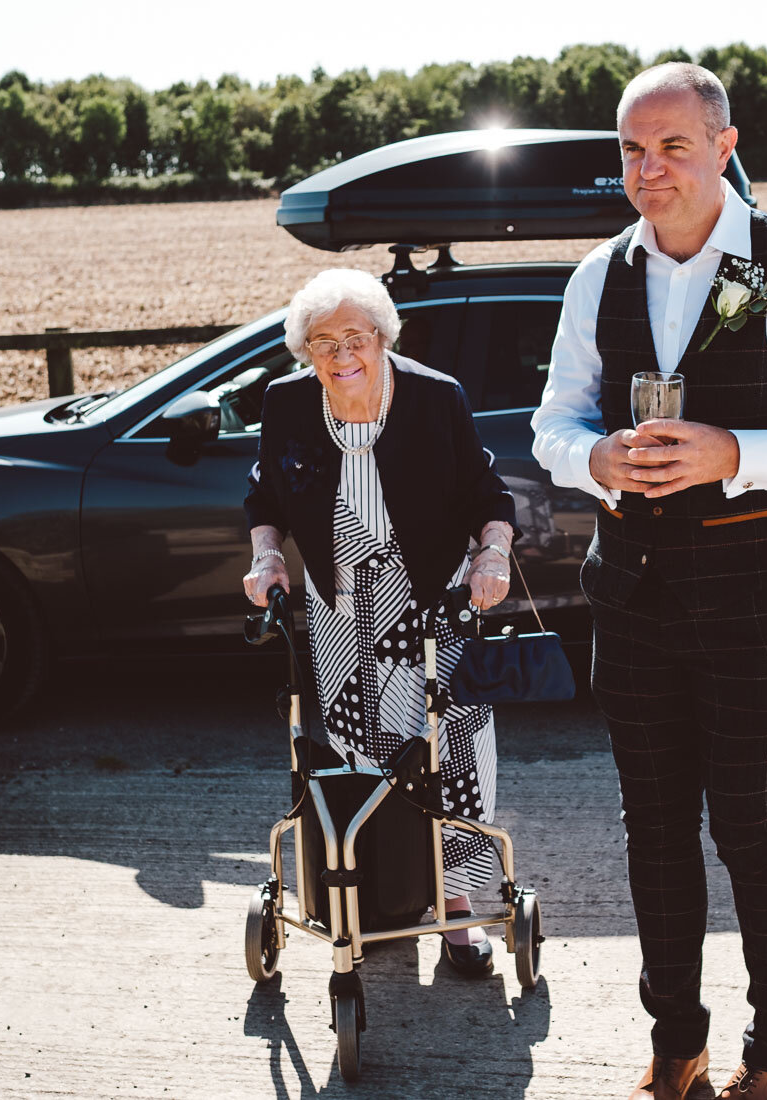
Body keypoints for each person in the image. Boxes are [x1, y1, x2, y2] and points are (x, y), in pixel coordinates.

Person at [532, 63, 767, 1100]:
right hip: (633, 597)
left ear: (725, 147)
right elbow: (552, 420)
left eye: (674, 146)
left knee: (749, 829)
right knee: (652, 833)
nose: (650, 169)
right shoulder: (598, 274)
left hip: (755, 599)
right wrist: (593, 459)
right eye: (632, 150)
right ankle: (673, 1047)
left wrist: (736, 450)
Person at [242, 268, 519, 975]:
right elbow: (264, 495)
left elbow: (488, 493)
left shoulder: (433, 398)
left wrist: (492, 556)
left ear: (382, 337)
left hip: (432, 605)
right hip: (340, 612)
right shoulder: (289, 403)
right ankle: (372, 892)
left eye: (355, 338)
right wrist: (267, 557)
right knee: (356, 751)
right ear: (305, 350)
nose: (341, 356)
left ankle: (457, 908)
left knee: (451, 748)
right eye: (323, 342)